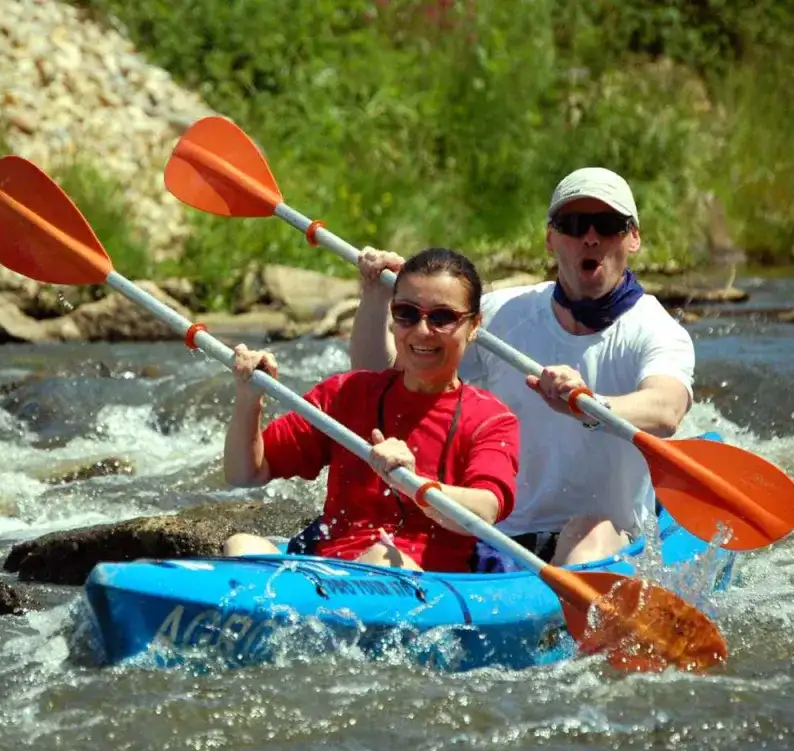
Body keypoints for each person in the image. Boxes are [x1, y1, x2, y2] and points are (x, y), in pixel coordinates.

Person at [349, 168, 695, 567]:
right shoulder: (501, 314)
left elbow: (666, 409)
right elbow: (383, 377)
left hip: (605, 536)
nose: (591, 237)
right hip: (494, 531)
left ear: (633, 237)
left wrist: (590, 405)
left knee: (588, 529)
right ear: (551, 239)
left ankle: (568, 613)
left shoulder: (656, 330)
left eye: (608, 224)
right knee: (383, 553)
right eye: (574, 224)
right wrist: (376, 297)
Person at [221, 247, 521, 573]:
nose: (422, 331)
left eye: (442, 317)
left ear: (473, 326)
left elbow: (487, 509)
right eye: (407, 313)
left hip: (420, 580)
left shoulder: (491, 419)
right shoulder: (347, 393)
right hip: (326, 573)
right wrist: (249, 399)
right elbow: (244, 473)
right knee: (241, 545)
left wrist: (415, 484)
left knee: (382, 558)